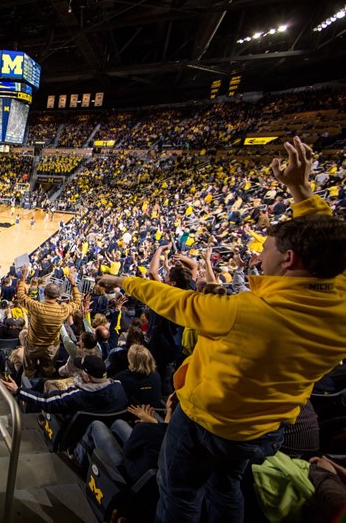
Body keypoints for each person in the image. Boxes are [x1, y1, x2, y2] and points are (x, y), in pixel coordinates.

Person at [99, 137, 346, 523]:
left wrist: (122, 281)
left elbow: (175, 302)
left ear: (288, 259)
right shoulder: (338, 290)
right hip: (264, 429)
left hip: (208, 421)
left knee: (179, 493)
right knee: (226, 488)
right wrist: (300, 190)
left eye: (265, 248)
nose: (257, 254)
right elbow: (328, 241)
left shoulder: (247, 311)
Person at [1, 355, 128, 416]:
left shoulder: (78, 395)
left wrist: (18, 390)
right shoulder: (119, 387)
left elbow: (45, 401)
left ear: (88, 378)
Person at [14, 266, 81, 378]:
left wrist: (24, 277)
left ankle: (26, 389)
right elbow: (78, 302)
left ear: (44, 294)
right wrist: (73, 283)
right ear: (58, 296)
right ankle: (43, 388)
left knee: (29, 370)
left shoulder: (36, 306)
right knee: (47, 371)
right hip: (50, 347)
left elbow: (20, 296)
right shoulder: (63, 310)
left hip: (33, 345)